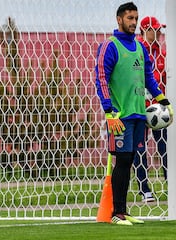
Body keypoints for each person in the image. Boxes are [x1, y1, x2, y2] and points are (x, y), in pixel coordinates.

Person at [95, 2, 173, 225]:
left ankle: (124, 211)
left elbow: (149, 76)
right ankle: (116, 213)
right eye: (129, 18)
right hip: (120, 116)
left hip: (140, 115)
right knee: (123, 160)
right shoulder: (110, 46)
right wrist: (109, 111)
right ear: (119, 19)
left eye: (135, 18)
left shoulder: (140, 47)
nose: (133, 22)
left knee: (130, 160)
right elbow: (101, 78)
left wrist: (161, 99)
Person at [133, 16, 167, 202]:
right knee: (140, 149)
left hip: (158, 109)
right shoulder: (137, 50)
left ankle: (171, 183)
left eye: (160, 30)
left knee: (165, 147)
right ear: (145, 30)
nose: (159, 33)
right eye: (156, 29)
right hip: (139, 107)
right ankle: (144, 188)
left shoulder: (161, 54)